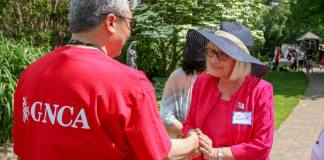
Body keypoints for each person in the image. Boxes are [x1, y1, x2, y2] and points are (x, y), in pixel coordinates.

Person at [12, 1, 199, 159]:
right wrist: (193, 141)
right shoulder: (129, 84)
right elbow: (158, 151)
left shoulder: (31, 74)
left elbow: (22, 148)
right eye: (130, 23)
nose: (129, 32)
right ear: (111, 22)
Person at [182, 22, 274, 160]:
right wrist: (194, 139)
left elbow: (262, 145)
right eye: (211, 51)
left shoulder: (260, 90)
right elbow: (190, 123)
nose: (213, 60)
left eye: (223, 54)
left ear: (239, 60)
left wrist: (217, 154)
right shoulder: (202, 83)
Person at [160, 29, 208, 138]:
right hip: (184, 144)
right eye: (210, 50)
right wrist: (192, 136)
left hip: (213, 147)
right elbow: (165, 116)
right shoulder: (179, 76)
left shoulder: (217, 77)